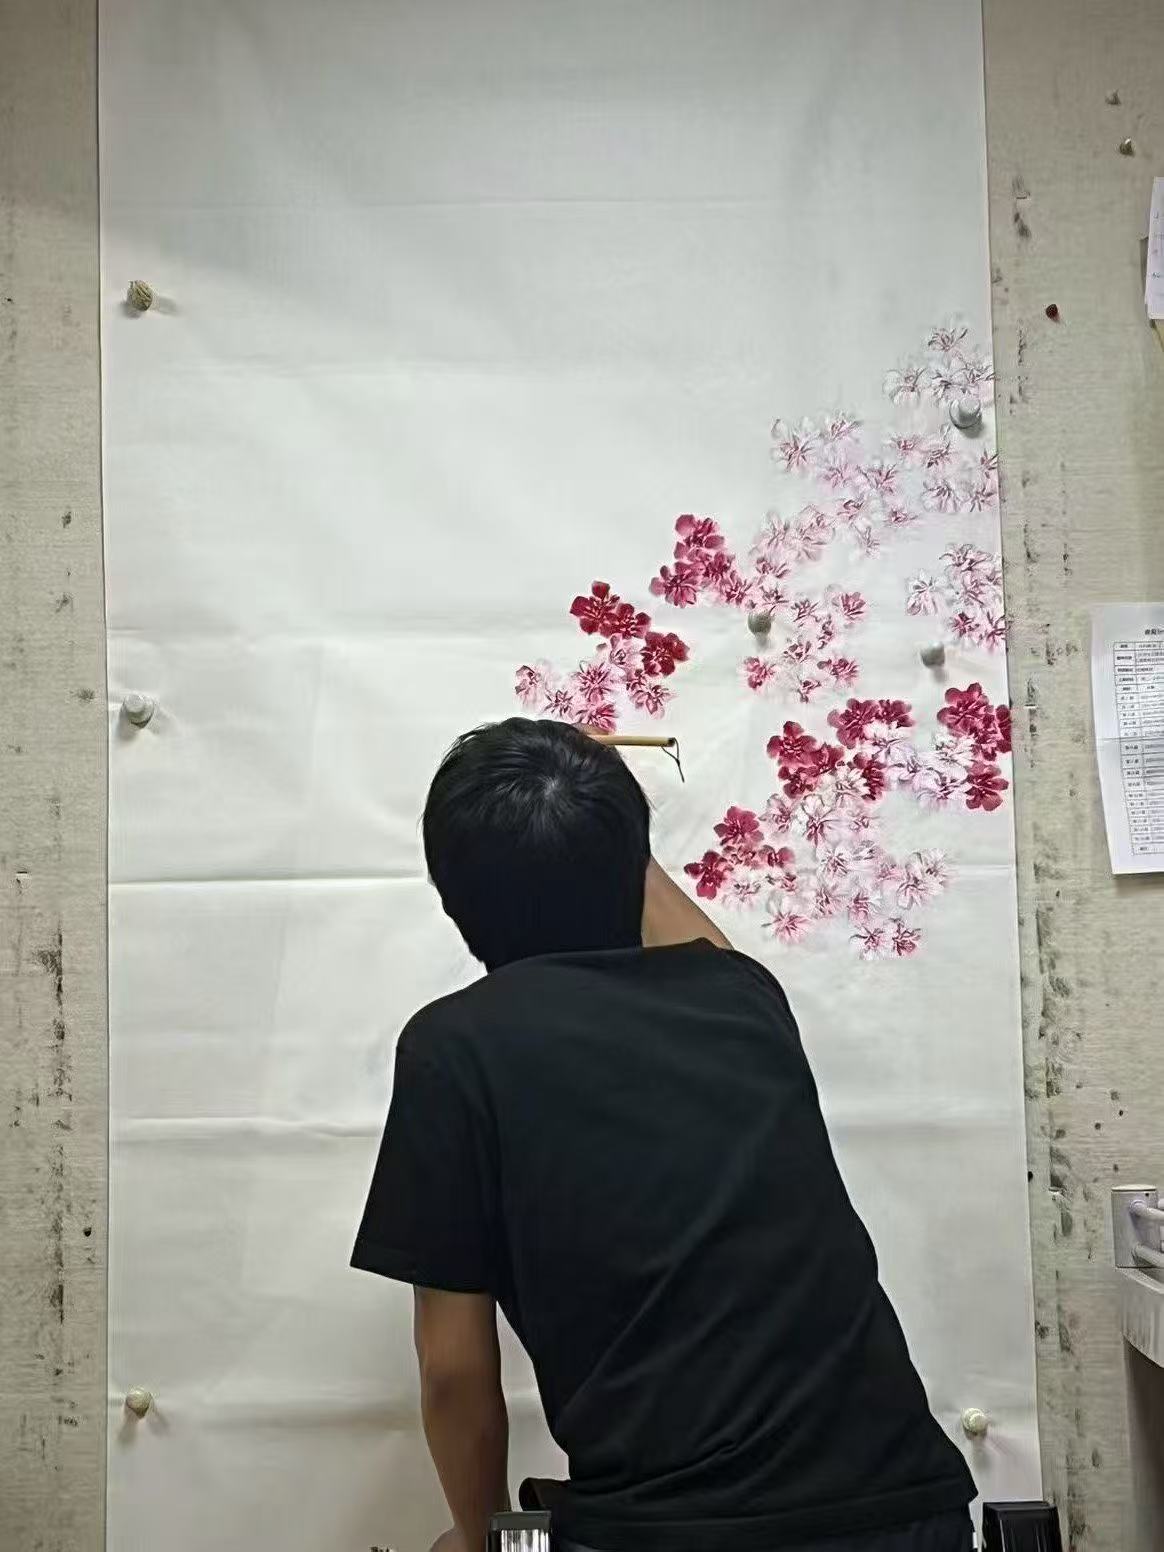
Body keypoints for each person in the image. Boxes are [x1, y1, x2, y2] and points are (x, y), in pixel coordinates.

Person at [351, 718, 976, 1552]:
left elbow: (456, 1371)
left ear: (449, 897)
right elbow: (695, 939)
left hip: (671, 1532)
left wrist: (479, 1538)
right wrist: (595, 806)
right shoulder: (742, 1001)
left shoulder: (454, 1047)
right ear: (629, 857)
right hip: (908, 1511)